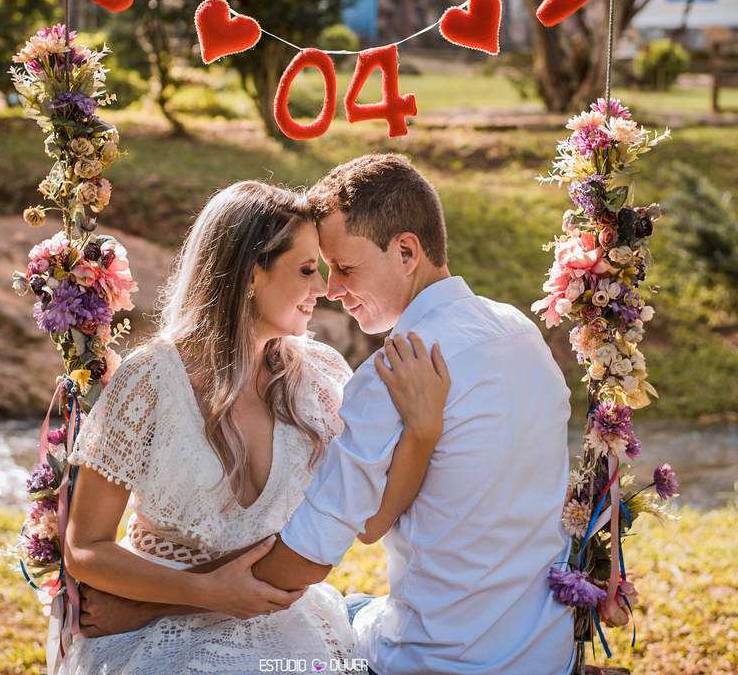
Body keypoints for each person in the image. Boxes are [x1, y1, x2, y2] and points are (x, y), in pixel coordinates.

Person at [60, 180, 450, 675]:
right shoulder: (150, 379)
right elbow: (85, 549)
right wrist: (202, 593)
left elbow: (370, 521)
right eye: (306, 270)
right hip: (156, 636)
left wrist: (422, 432)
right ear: (249, 274)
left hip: (281, 624)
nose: (323, 289)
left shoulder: (321, 376)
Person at [247, 154, 576, 674]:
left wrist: (178, 596)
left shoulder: (396, 371)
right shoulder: (522, 332)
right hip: (545, 654)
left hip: (436, 660)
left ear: (406, 252)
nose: (331, 289)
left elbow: (306, 557)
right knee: (357, 605)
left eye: (345, 268)